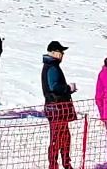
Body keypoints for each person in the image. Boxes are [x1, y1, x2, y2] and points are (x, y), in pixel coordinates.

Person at [42, 41, 77, 169]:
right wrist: (68, 88)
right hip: (57, 108)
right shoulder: (52, 67)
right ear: (54, 53)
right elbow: (54, 86)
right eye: (61, 52)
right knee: (59, 138)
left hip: (56, 108)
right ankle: (56, 164)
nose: (62, 55)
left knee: (64, 137)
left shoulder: (51, 65)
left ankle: (63, 163)